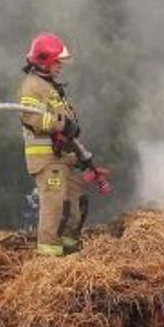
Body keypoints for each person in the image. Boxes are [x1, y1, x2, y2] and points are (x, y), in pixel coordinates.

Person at [18, 33, 110, 257]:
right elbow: (31, 118)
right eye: (56, 61)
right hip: (47, 159)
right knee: (55, 210)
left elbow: (67, 124)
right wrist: (62, 124)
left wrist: (75, 142)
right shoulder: (32, 86)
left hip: (63, 158)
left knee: (76, 208)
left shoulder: (51, 87)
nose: (60, 66)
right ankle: (49, 263)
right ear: (44, 60)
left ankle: (69, 254)